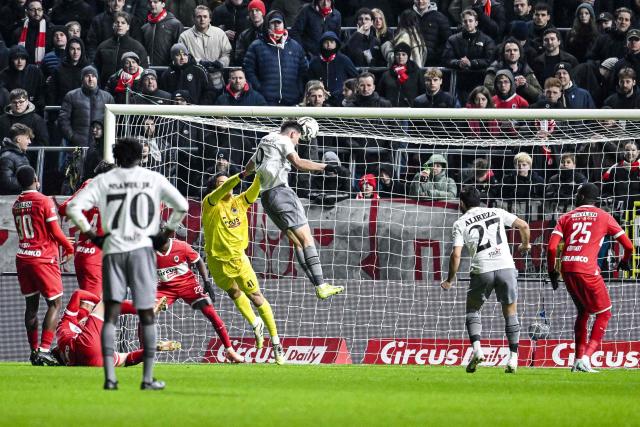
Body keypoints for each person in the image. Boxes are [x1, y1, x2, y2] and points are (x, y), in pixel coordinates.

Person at [66, 137, 189, 390]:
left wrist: (92, 236)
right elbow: (182, 206)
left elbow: (72, 208)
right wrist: (165, 235)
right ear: (139, 157)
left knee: (107, 310)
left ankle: (110, 376)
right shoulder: (150, 180)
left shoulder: (104, 182)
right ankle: (147, 378)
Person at [244, 120, 344, 300]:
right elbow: (298, 163)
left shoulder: (266, 138)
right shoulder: (284, 141)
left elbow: (250, 165)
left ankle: (318, 284)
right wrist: (326, 167)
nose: (297, 143)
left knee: (298, 243)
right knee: (307, 239)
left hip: (266, 198)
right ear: (293, 134)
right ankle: (321, 285)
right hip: (282, 193)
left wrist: (243, 174)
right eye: (299, 139)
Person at [441, 186, 531, 374]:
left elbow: (456, 255)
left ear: (462, 204)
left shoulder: (460, 222)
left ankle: (477, 350)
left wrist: (450, 279)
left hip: (482, 269)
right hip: (506, 266)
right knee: (510, 312)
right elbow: (524, 225)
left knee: (473, 310)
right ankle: (513, 359)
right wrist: (524, 245)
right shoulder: (496, 212)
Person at [546, 183, 634, 372]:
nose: (575, 197)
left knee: (583, 312)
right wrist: (625, 261)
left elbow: (552, 248)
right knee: (604, 313)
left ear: (583, 196)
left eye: (577, 194)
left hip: (567, 268)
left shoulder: (566, 217)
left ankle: (577, 360)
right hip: (587, 269)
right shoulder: (604, 216)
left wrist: (552, 271)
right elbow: (629, 246)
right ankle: (586, 358)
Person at [202, 172, 285, 364]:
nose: (226, 186)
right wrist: (242, 174)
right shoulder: (210, 203)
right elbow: (224, 188)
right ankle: (255, 323)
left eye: (228, 183)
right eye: (221, 183)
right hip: (216, 261)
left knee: (256, 297)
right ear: (215, 188)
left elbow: (255, 189)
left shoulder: (240, 202)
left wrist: (259, 171)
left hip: (239, 261)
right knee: (233, 292)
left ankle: (276, 343)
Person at [12, 165, 74, 365]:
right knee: (55, 303)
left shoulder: (16, 204)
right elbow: (55, 232)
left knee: (31, 306)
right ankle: (45, 350)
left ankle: (33, 352)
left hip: (23, 258)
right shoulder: (43, 200)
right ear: (36, 179)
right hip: (42, 258)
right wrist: (69, 247)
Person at [150, 236, 245, 363]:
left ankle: (230, 351)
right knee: (145, 312)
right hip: (165, 289)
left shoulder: (181, 246)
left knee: (210, 313)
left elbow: (198, 260)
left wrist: (206, 282)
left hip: (189, 286)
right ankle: (144, 351)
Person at [51, 289, 178, 366]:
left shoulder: (63, 334)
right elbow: (78, 294)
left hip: (95, 361)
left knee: (123, 359)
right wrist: (98, 302)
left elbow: (128, 359)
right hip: (87, 345)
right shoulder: (65, 327)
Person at [58, 161, 115, 296]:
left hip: (83, 254)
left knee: (93, 304)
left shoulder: (89, 186)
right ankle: (69, 318)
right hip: (98, 258)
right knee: (91, 307)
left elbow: (63, 209)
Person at [243, 11, 308, 106]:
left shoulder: (295, 46)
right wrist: (259, 88)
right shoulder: (256, 46)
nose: (276, 25)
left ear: (283, 24)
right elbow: (248, 70)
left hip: (292, 100)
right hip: (265, 101)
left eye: (279, 22)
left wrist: (298, 89)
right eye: (273, 23)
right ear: (267, 25)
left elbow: (303, 71)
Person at [308, 31, 358, 106]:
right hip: (319, 101)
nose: (329, 45)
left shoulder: (344, 59)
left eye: (332, 42)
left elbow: (356, 77)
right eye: (326, 42)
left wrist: (345, 90)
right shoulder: (315, 62)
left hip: (340, 101)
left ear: (336, 44)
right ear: (321, 44)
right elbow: (309, 80)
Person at [141, 0, 183, 66]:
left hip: (169, 70)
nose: (152, 4)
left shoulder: (175, 25)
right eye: (150, 2)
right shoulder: (145, 28)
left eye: (155, 2)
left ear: (163, 4)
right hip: (149, 71)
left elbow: (180, 49)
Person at [0, 123, 34, 195]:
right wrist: (29, 184)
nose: (29, 142)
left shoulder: (21, 155)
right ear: (19, 139)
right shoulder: (7, 157)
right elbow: (6, 182)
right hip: (10, 201)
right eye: (27, 138)